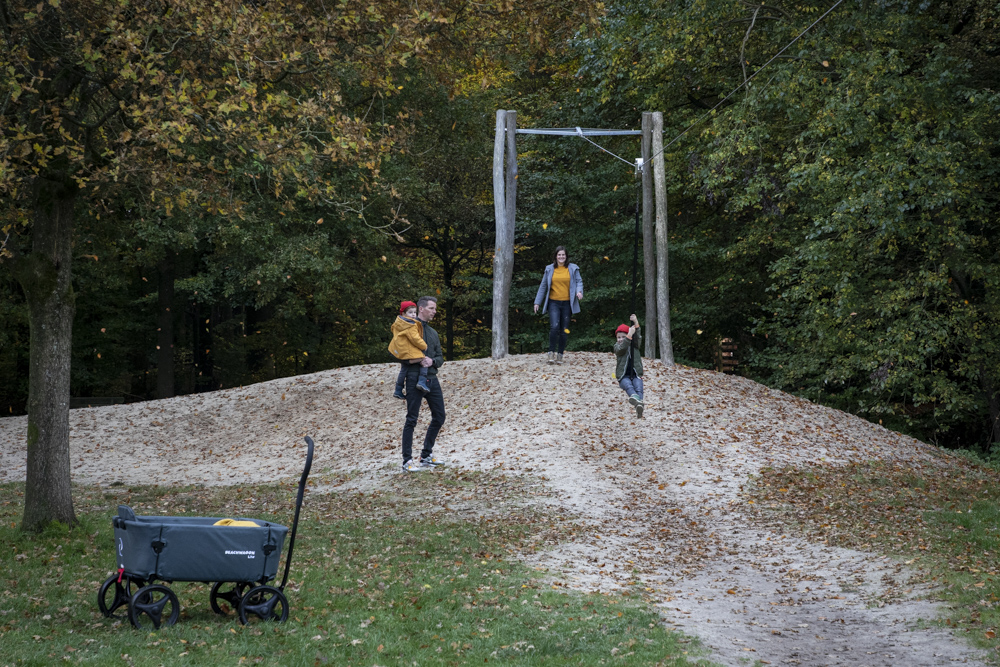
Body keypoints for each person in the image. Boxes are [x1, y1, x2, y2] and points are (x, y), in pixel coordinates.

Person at [400, 296, 447, 472]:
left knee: (440, 416)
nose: (435, 311)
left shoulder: (433, 333)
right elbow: (396, 352)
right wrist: (414, 360)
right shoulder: (408, 328)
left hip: (432, 379)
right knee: (411, 420)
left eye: (435, 308)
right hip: (413, 378)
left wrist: (432, 362)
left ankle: (426, 456)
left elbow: (441, 358)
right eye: (432, 308)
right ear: (421, 309)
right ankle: (407, 461)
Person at [533, 246, 583, 364]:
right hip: (553, 302)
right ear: (556, 256)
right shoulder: (549, 269)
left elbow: (578, 281)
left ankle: (560, 354)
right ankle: (551, 353)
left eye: (563, 255)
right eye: (559, 255)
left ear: (566, 256)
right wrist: (537, 302)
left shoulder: (573, 268)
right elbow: (543, 286)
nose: (561, 257)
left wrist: (579, 291)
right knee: (554, 327)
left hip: (567, 303)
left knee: (564, 329)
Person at [388, 300, 429, 399]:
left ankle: (398, 389)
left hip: (399, 350)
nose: (413, 315)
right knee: (424, 359)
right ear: (403, 313)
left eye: (415, 312)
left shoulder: (398, 323)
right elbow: (415, 338)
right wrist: (424, 346)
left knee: (404, 369)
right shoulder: (410, 325)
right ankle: (422, 381)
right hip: (407, 351)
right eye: (410, 312)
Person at [614, 314, 644, 418]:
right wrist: (628, 336)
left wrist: (636, 322)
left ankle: (639, 404)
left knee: (639, 387)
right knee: (628, 386)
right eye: (618, 337)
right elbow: (622, 348)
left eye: (623, 336)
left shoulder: (634, 346)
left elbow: (638, 336)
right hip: (623, 376)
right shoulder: (617, 347)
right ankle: (635, 398)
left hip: (635, 374)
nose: (621, 339)